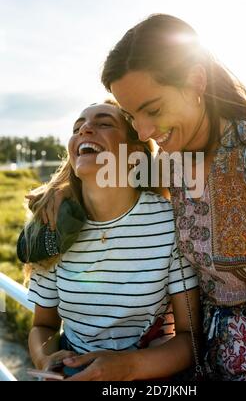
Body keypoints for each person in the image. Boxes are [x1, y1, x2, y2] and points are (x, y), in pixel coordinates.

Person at [98, 14, 246, 381]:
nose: (144, 131)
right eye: (131, 116)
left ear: (195, 81)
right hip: (203, 361)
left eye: (153, 110)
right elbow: (111, 186)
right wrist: (56, 196)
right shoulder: (170, 162)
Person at [25, 102, 200, 381]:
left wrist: (127, 367)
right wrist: (45, 359)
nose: (84, 128)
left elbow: (190, 338)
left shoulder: (170, 223)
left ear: (134, 155)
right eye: (77, 127)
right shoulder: (53, 225)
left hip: (151, 373)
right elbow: (43, 326)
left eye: (104, 123)